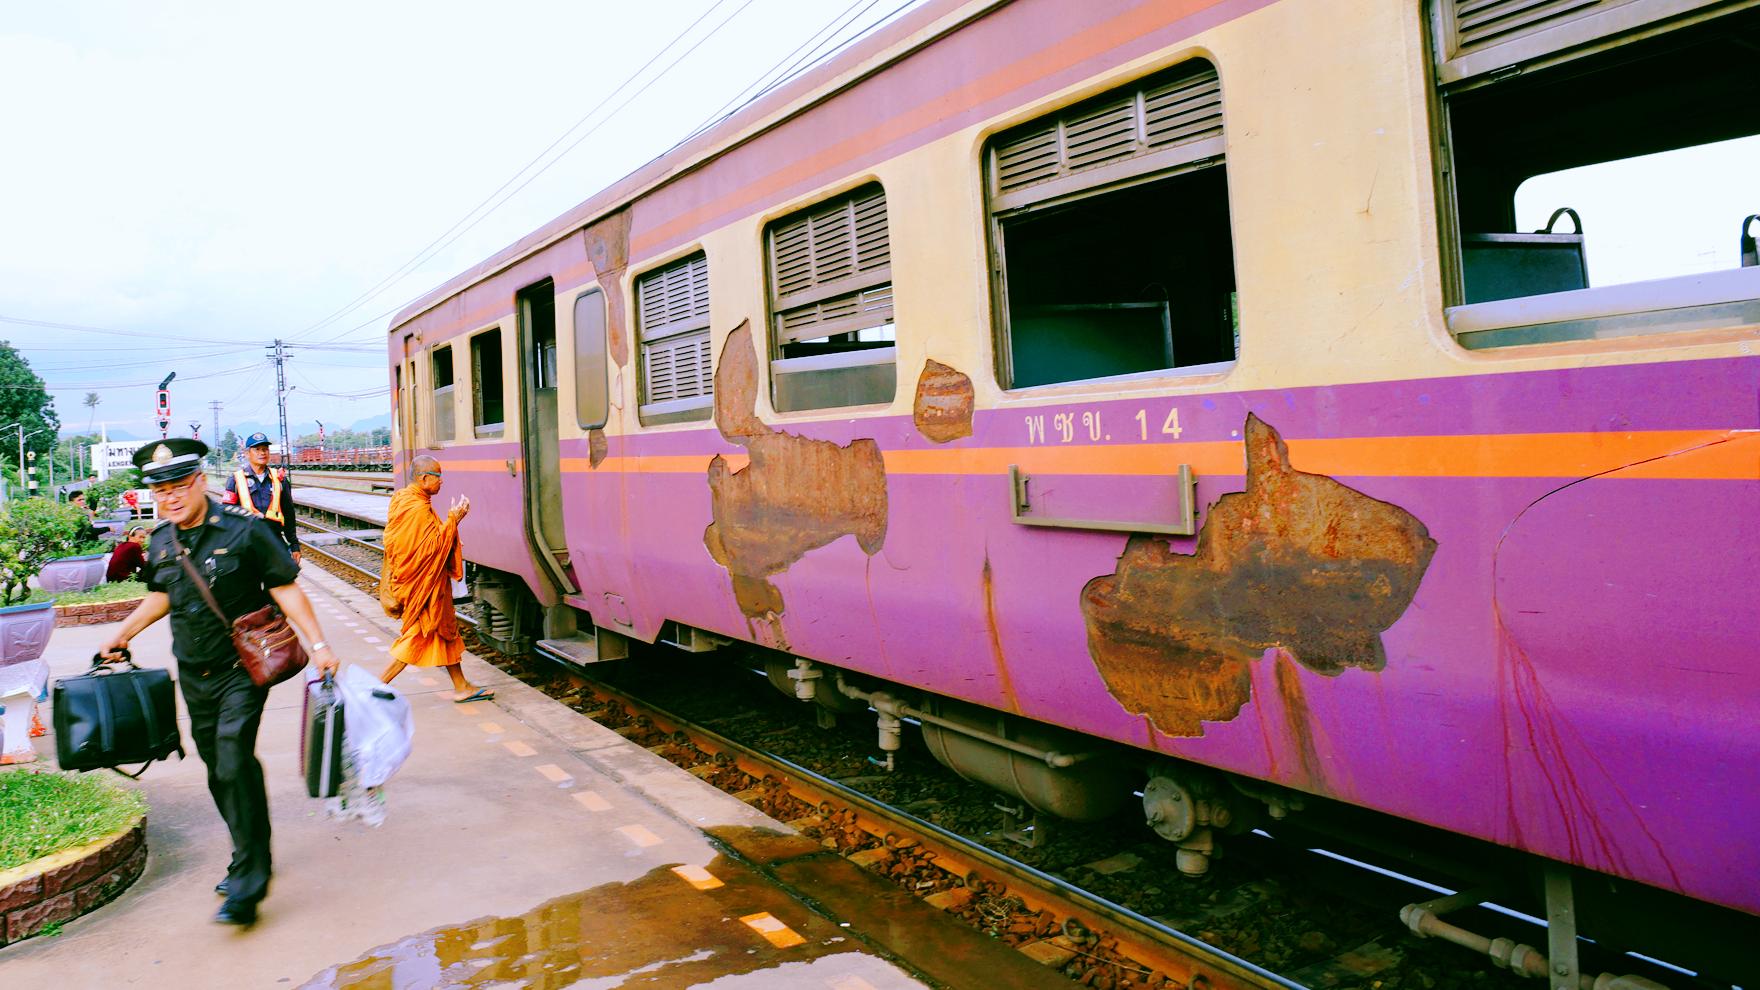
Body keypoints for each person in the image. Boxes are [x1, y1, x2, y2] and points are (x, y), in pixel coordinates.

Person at [100, 438, 339, 926]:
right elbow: (160, 596)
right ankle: (244, 850)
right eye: (159, 490)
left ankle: (250, 881)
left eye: (178, 486)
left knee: (232, 757)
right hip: (193, 673)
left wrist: (319, 645)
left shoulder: (245, 531)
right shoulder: (163, 541)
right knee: (218, 767)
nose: (169, 497)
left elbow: (284, 588)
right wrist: (121, 634)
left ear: (200, 482)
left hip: (240, 671)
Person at [378, 455, 490, 703]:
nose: (442, 482)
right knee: (418, 635)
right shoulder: (415, 508)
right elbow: (429, 550)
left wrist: (450, 524)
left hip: (427, 583)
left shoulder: (406, 499)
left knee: (444, 630)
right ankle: (376, 685)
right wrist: (453, 520)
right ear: (424, 478)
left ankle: (461, 686)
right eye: (439, 476)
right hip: (421, 584)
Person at [222, 432, 300, 564]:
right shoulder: (236, 480)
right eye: (257, 449)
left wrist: (294, 544)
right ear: (247, 453)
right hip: (246, 544)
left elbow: (288, 513)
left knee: (282, 582)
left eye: (265, 449)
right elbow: (227, 514)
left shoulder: (279, 479)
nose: (262, 453)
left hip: (275, 542)